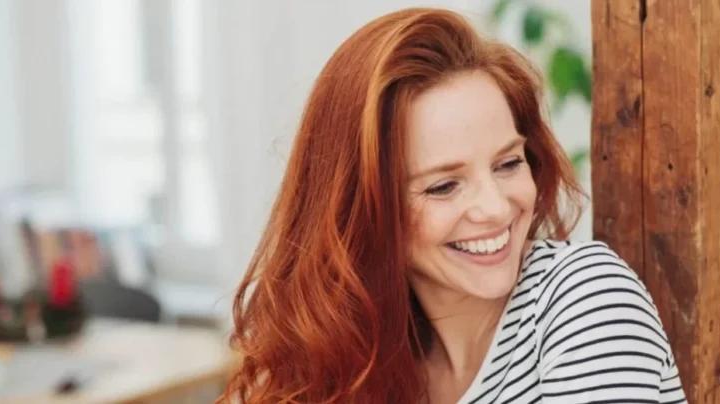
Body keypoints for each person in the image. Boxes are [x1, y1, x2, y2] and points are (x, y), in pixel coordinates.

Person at [219, 7, 686, 404]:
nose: (497, 208)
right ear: (360, 210)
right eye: (443, 186)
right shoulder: (366, 361)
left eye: (507, 163)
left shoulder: (585, 300)